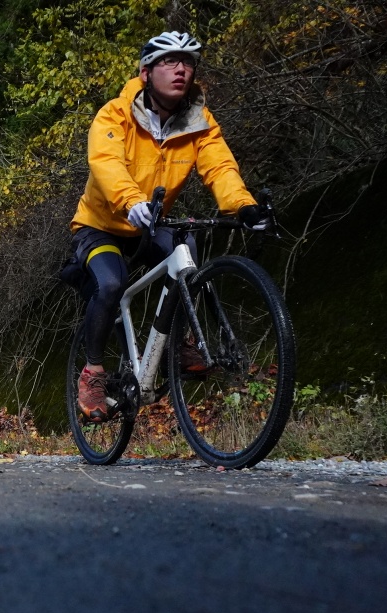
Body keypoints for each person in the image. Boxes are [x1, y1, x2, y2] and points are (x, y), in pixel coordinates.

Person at [68, 31, 270, 422]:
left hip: (152, 223)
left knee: (186, 252)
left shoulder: (199, 122)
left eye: (188, 62)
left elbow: (219, 166)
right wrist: (131, 201)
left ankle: (180, 344)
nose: (181, 69)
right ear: (145, 73)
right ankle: (92, 373)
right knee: (110, 285)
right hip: (102, 225)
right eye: (168, 61)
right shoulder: (115, 113)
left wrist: (242, 206)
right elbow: (106, 163)